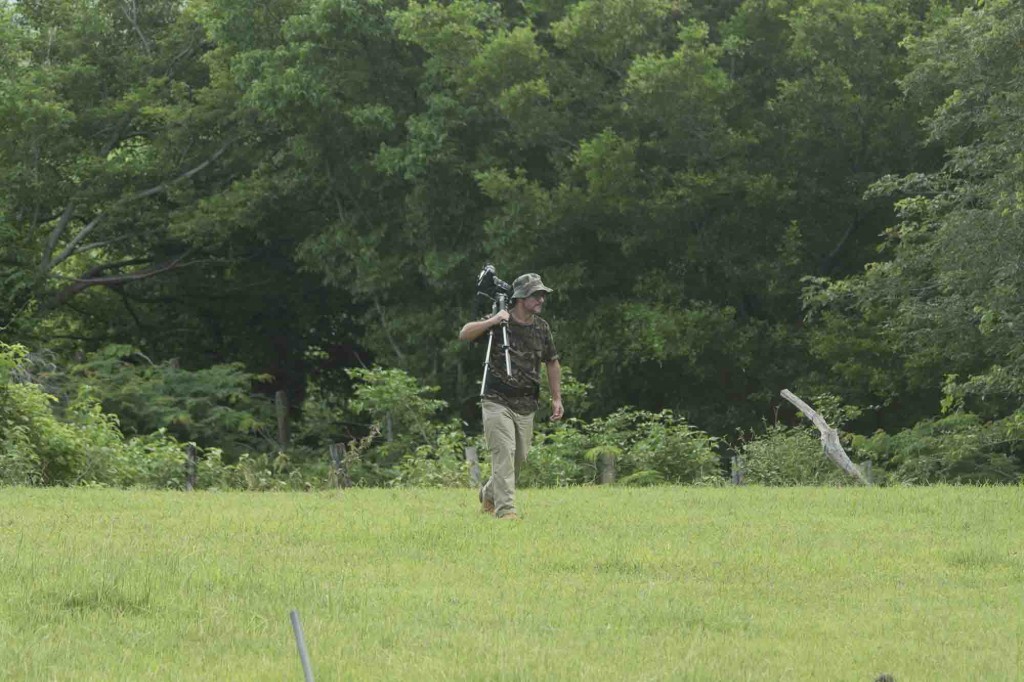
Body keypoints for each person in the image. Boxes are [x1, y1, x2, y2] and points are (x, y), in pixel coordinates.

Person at [458, 273, 563, 520]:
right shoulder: (500, 323)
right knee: (503, 452)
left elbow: (553, 362)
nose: (541, 299)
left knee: (519, 459)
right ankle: (506, 512)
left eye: (543, 295)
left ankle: (489, 493)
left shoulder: (542, 327)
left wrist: (556, 398)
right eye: (536, 295)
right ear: (521, 297)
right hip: (496, 399)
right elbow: (465, 334)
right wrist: (493, 320)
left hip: (526, 403)